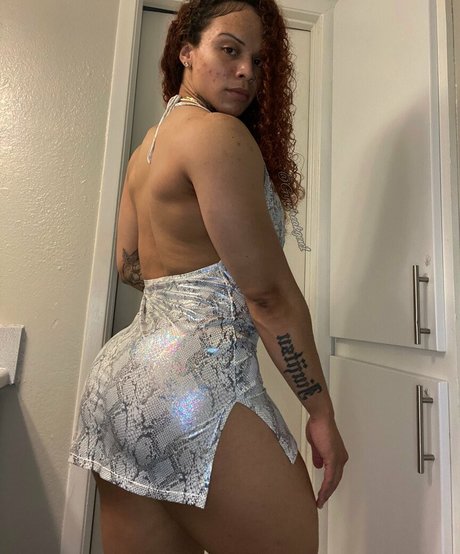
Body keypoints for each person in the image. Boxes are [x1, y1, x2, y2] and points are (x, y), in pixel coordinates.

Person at [69, 0, 348, 552]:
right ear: (186, 53)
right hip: (195, 388)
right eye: (229, 49)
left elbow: (130, 267)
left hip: (118, 388)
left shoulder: (147, 149)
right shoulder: (220, 136)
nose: (246, 71)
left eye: (259, 60)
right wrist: (320, 411)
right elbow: (267, 296)